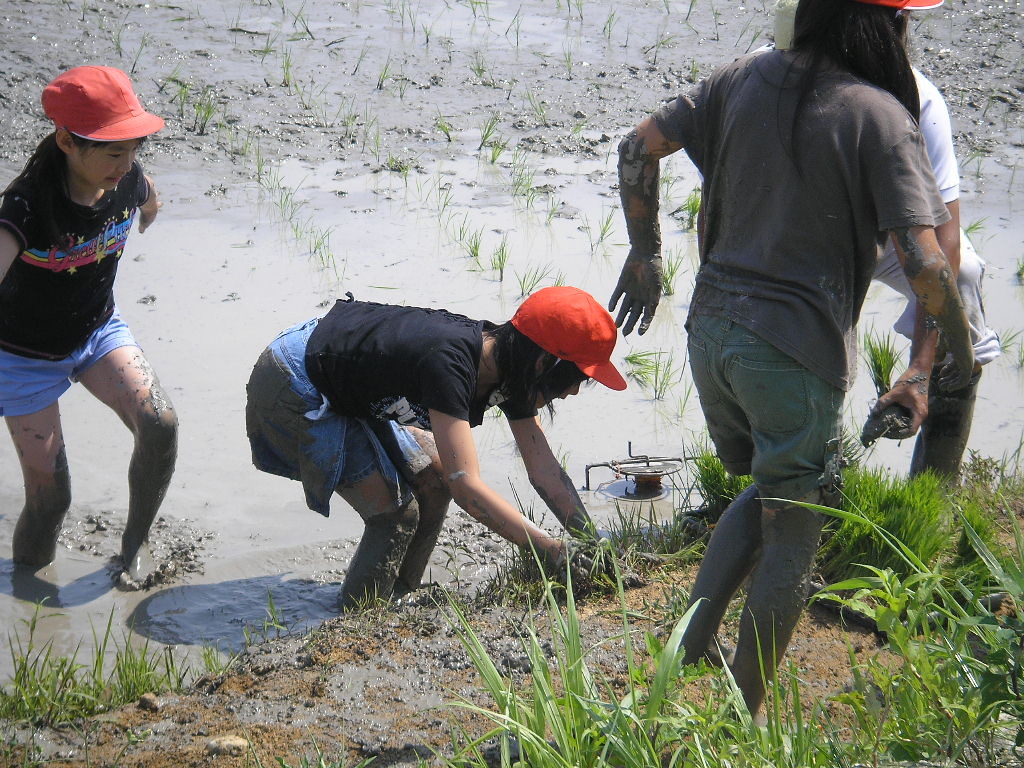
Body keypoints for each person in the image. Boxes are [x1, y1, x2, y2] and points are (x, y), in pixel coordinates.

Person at [608, 0, 974, 719]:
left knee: (778, 484)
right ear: (885, 26)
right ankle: (745, 714)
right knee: (795, 531)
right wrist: (949, 354)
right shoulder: (881, 115)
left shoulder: (738, 77)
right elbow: (928, 263)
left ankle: (689, 649)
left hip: (710, 334)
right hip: (790, 349)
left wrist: (646, 251)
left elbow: (636, 145)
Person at [246, 286, 627, 608]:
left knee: (434, 480)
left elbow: (543, 469)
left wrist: (593, 545)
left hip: (349, 378)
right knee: (395, 514)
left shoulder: (515, 369)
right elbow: (468, 487)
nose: (575, 389)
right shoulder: (451, 363)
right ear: (545, 360)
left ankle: (398, 597)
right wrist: (553, 550)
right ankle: (357, 617)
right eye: (576, 376)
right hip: (297, 377)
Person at [774, 0, 1001, 478]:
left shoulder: (919, 97)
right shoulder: (770, 78)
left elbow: (943, 237)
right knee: (799, 344)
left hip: (889, 232)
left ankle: (933, 487)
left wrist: (921, 365)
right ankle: (805, 476)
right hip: (802, 230)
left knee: (963, 279)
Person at [0, 66, 177, 584]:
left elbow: (149, 197)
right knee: (53, 498)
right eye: (112, 151)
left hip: (96, 332)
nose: (125, 165)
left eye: (134, 149)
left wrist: (148, 213)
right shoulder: (24, 207)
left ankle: (135, 542)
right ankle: (30, 589)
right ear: (66, 141)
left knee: (160, 425)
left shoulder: (128, 180)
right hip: (21, 357)